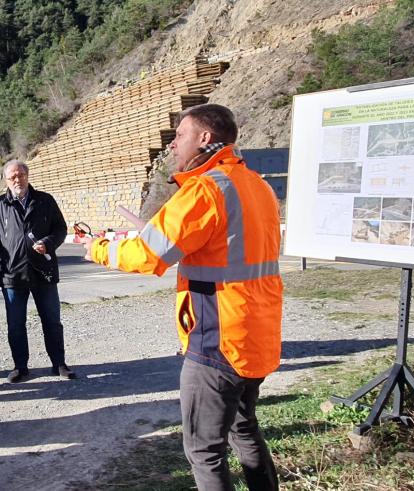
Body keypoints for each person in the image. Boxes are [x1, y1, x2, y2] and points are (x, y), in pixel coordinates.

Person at [84, 104, 281, 491]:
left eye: (180, 136)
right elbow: (225, 248)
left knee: (204, 452)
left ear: (205, 138)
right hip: (255, 333)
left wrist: (99, 248)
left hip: (217, 339)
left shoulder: (206, 189)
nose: (173, 145)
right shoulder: (257, 185)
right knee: (244, 431)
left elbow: (146, 255)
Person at [0, 159, 76, 383]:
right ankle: (20, 367)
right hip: (12, 275)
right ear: (6, 180)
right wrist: (1, 263)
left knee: (52, 321)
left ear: (27, 176)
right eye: (12, 176)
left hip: (44, 271)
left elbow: (60, 229)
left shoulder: (45, 200)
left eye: (21, 175)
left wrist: (48, 243)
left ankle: (59, 363)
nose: (17, 180)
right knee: (16, 324)